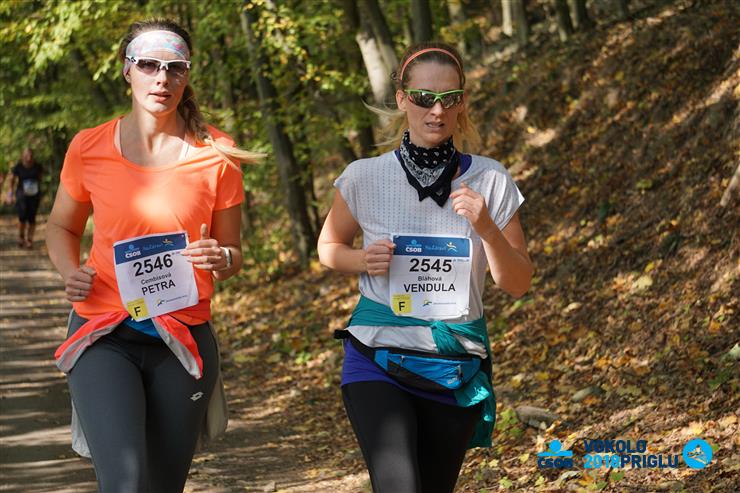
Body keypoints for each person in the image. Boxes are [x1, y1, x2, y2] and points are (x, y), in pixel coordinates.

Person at [46, 19, 261, 493]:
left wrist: (221, 257)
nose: (162, 78)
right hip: (102, 333)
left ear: (187, 74)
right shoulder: (89, 146)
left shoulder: (218, 152)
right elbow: (61, 226)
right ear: (127, 70)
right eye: (148, 65)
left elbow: (234, 254)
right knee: (125, 482)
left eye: (174, 68)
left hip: (182, 337)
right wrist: (69, 271)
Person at [317, 42, 533, 493]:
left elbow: (517, 283)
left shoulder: (491, 179)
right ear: (402, 99)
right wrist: (361, 259)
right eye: (423, 98)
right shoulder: (364, 176)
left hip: (454, 364)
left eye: (449, 99)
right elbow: (329, 247)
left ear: (462, 103)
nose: (437, 111)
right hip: (376, 357)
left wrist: (487, 228)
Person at [9, 148, 43, 248]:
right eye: (27, 155)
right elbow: (12, 179)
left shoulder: (38, 166)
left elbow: (40, 178)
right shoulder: (18, 167)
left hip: (34, 196)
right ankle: (21, 237)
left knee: (32, 218)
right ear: (23, 156)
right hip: (22, 195)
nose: (29, 158)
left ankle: (30, 239)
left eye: (31, 155)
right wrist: (10, 193)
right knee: (22, 217)